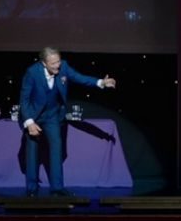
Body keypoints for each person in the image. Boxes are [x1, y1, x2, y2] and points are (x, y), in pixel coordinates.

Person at [19, 47, 116, 196]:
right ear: (44, 63)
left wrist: (100, 82)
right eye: (53, 63)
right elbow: (24, 100)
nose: (58, 65)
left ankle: (57, 188)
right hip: (34, 117)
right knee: (32, 152)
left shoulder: (63, 66)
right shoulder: (32, 73)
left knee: (57, 149)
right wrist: (30, 122)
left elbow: (79, 78)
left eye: (58, 61)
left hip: (52, 116)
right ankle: (31, 189)